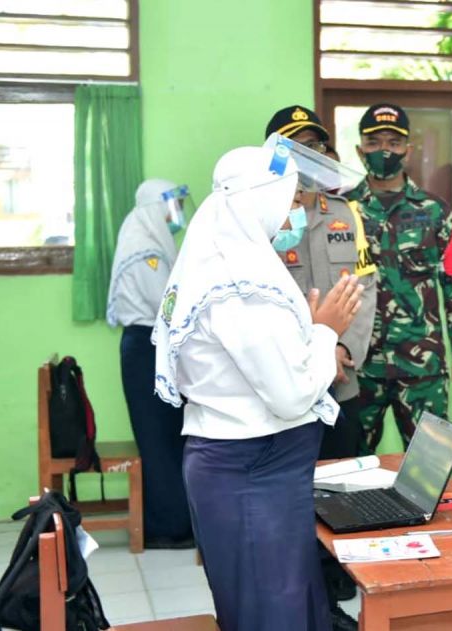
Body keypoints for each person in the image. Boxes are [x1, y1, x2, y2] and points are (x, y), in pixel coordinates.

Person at [153, 145, 364, 631]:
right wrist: (326, 332)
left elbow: (268, 364)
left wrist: (309, 332)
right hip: (252, 470)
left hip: (257, 466)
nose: (296, 212)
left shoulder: (231, 258)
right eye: (291, 201)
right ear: (260, 201)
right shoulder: (240, 282)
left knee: (286, 603)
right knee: (272, 613)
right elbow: (289, 395)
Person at [348, 103, 452, 450]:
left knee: (430, 468)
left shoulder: (435, 211)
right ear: (360, 149)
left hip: (423, 365)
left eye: (393, 142)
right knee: (348, 469)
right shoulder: (343, 210)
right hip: (358, 366)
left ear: (408, 149)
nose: (384, 151)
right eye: (374, 143)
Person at [265, 105, 378, 460]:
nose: (306, 155)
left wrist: (342, 349)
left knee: (340, 478)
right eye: (294, 146)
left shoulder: (346, 212)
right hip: (285, 378)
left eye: (312, 146)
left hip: (340, 379)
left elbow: (365, 288)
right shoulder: (265, 215)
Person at [106, 179, 194, 549]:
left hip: (154, 346)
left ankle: (174, 517)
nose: (177, 214)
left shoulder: (154, 243)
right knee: (158, 438)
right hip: (147, 347)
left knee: (169, 433)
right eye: (171, 206)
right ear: (154, 209)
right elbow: (167, 304)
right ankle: (166, 527)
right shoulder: (146, 252)